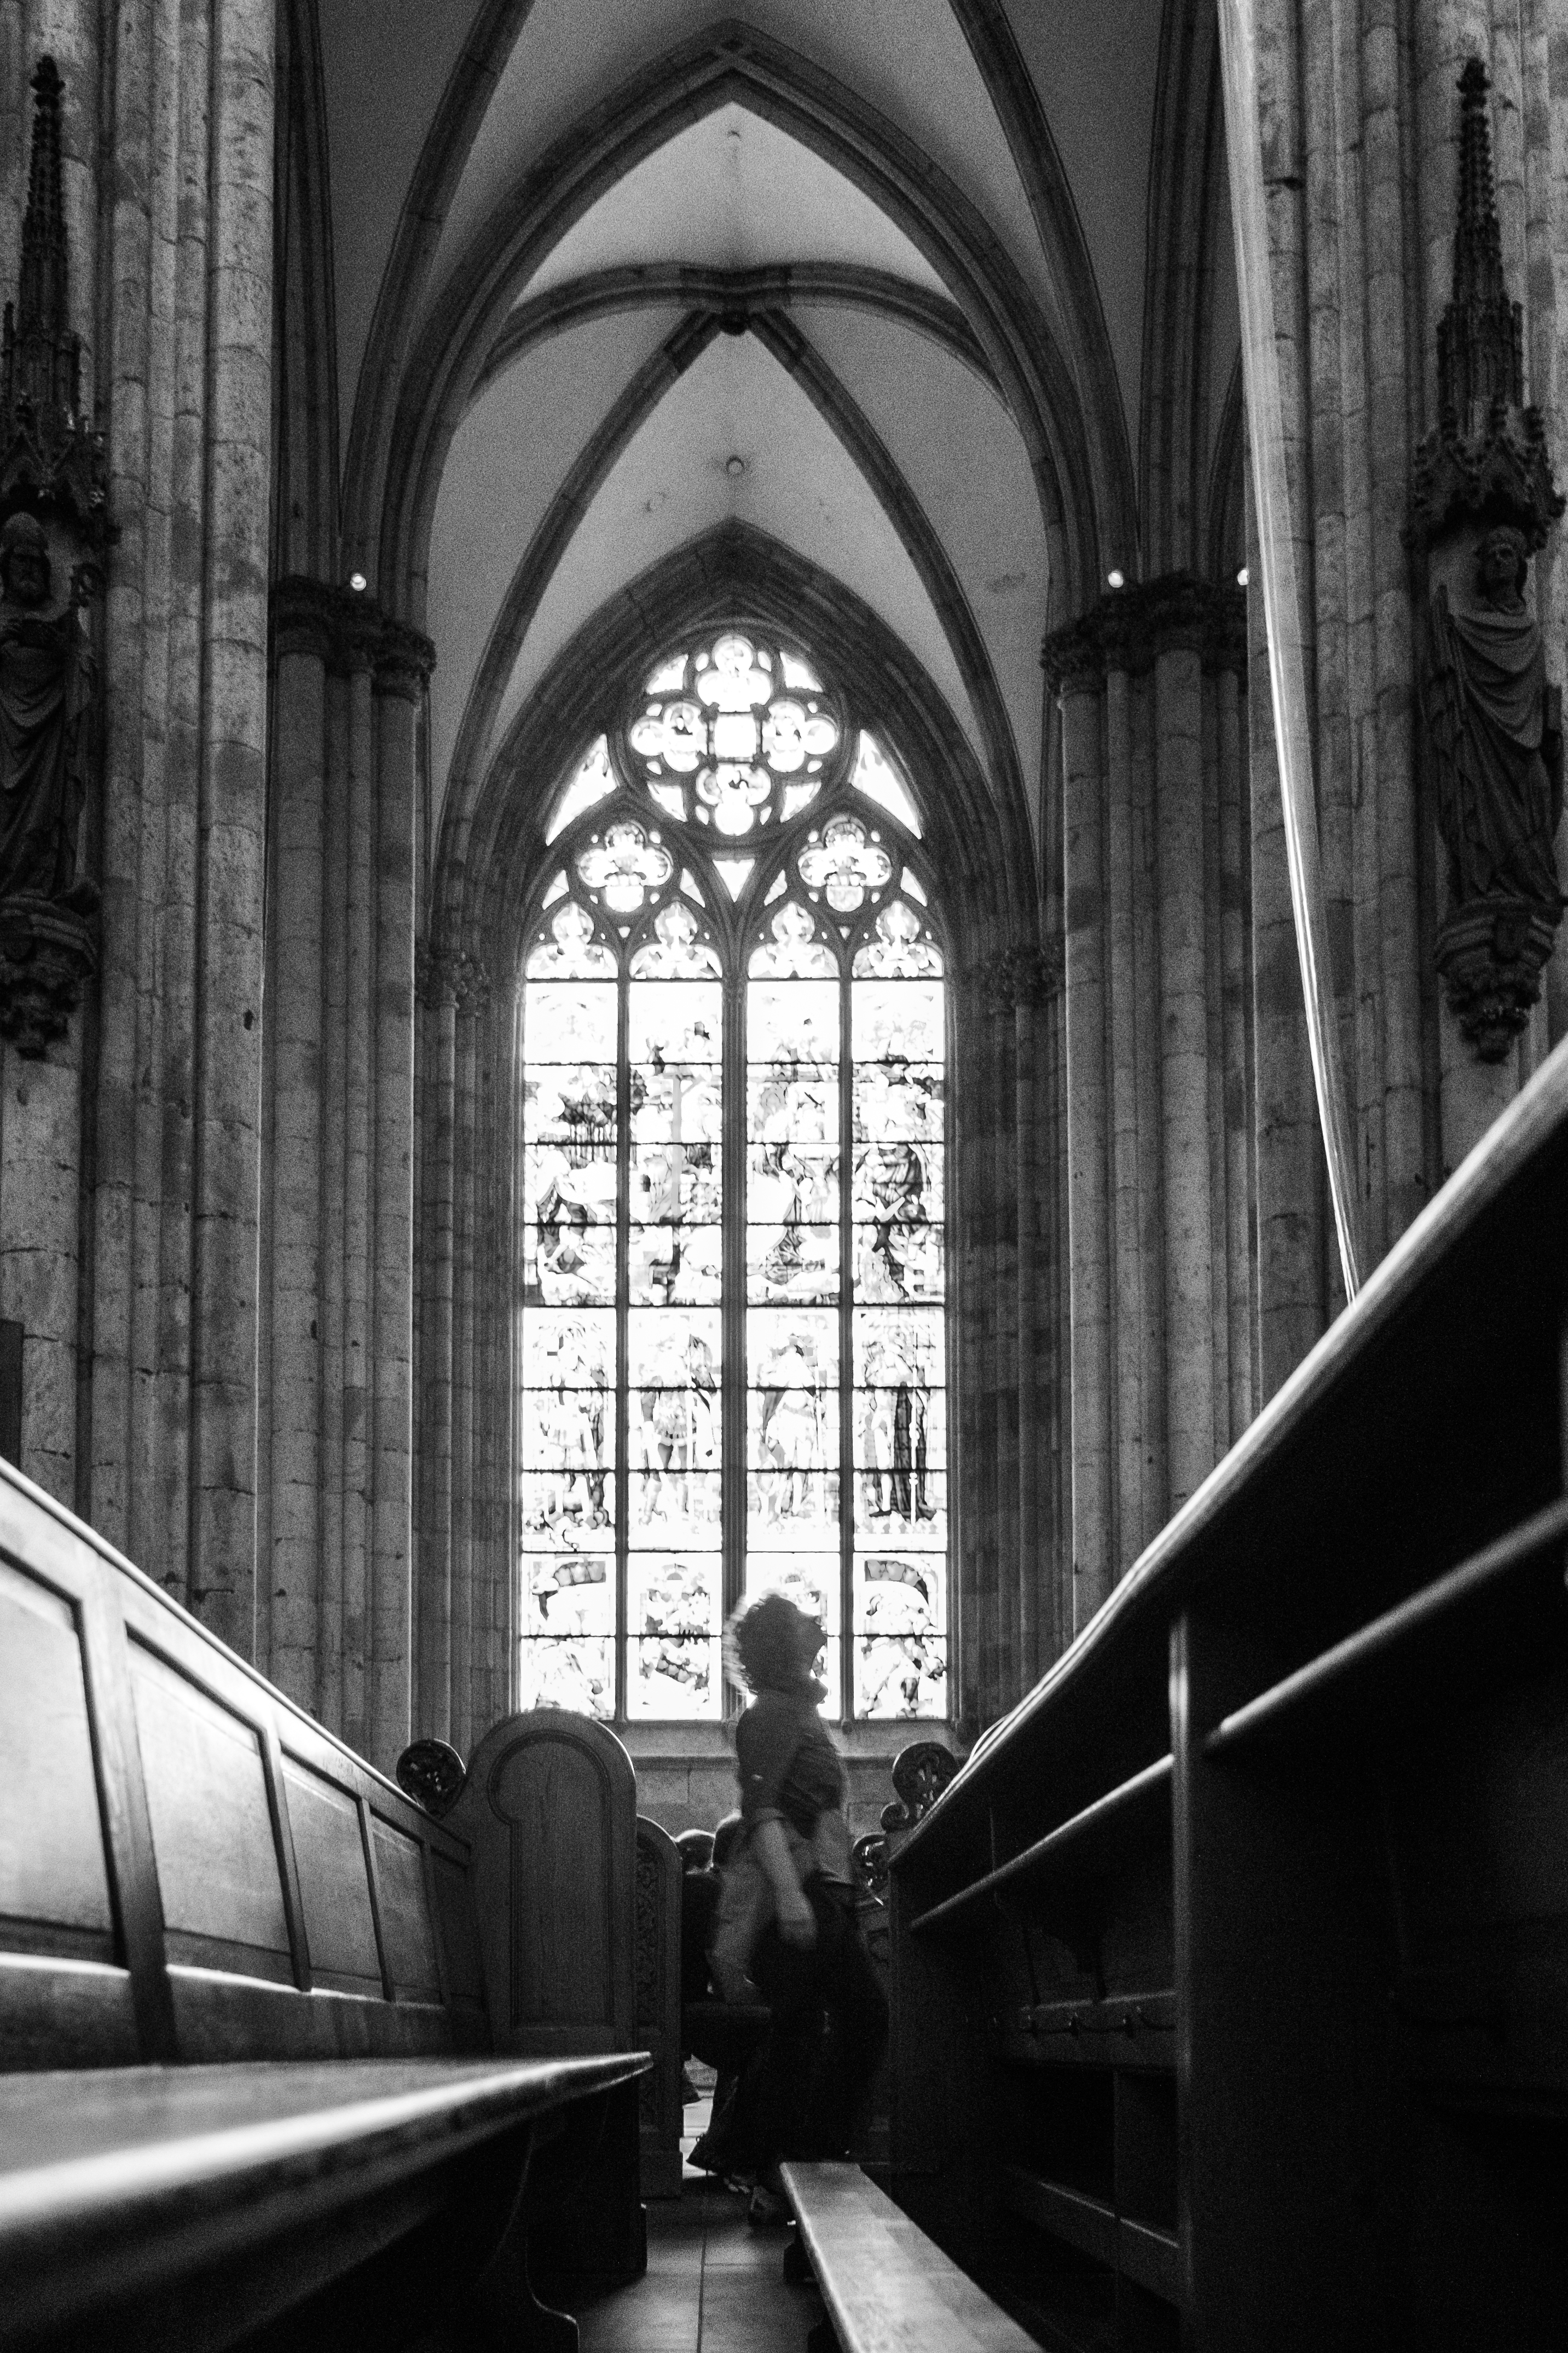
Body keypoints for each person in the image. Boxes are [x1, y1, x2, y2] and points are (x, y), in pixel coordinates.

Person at [727, 1591, 888, 2219]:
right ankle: (802, 2164)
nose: (817, 1626)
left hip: (821, 1890)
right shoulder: (769, 1714)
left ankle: (782, 2173)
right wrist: (794, 1900)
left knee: (800, 2034)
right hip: (798, 1895)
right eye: (802, 1622)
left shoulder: (797, 1710)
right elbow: (761, 1811)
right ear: (780, 1643)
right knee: (862, 2018)